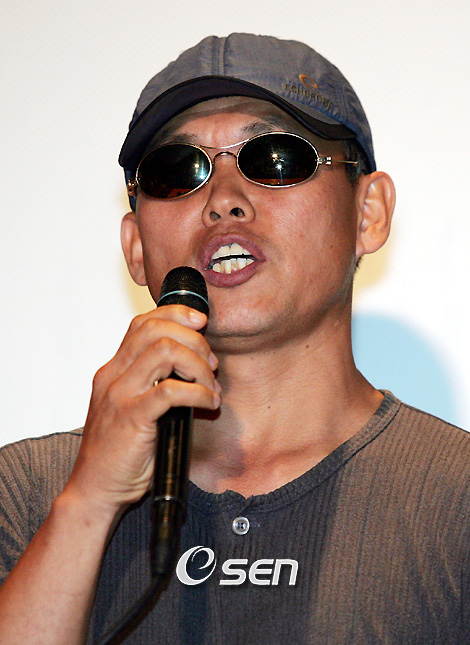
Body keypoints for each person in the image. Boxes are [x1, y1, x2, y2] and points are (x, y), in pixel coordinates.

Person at [0, 33, 469, 644]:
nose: (223, 201)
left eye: (275, 158)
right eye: (178, 173)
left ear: (368, 212)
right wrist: (88, 503)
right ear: (135, 247)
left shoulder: (454, 494)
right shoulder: (32, 490)